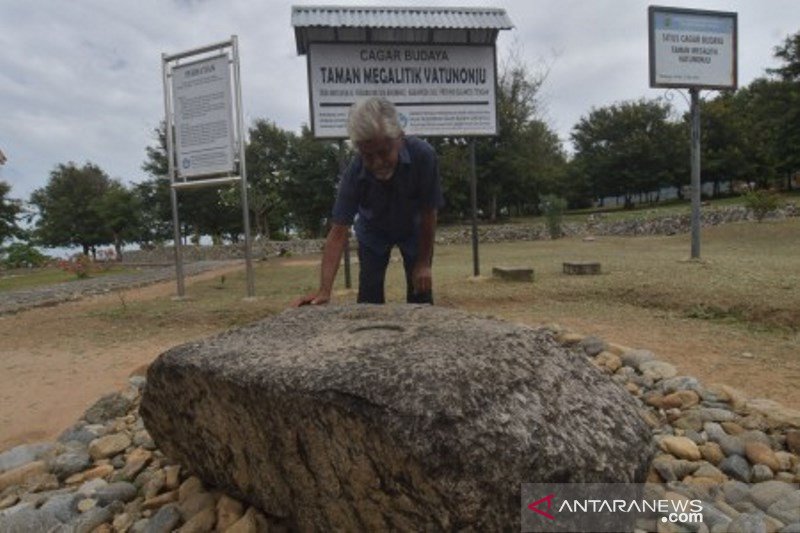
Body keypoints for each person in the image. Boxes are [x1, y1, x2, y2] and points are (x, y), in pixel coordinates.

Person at [294, 97, 444, 306]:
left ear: (399, 138)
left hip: (414, 229)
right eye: (367, 155)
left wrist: (424, 264)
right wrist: (324, 290)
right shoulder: (354, 172)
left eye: (383, 152)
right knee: (369, 294)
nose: (377, 163)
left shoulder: (424, 156)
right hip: (372, 231)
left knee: (421, 291)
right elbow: (338, 233)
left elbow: (429, 212)